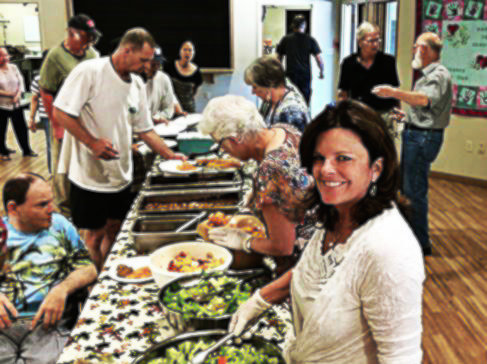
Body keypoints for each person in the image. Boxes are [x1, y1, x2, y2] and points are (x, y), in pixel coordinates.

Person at [229, 100, 425, 363]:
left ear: (375, 169)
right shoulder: (337, 211)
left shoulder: (388, 250)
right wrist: (263, 298)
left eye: (343, 158)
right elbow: (325, 273)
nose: (326, 170)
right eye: (319, 158)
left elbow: (401, 357)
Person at [52, 28, 185, 271]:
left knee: (115, 229)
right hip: (89, 175)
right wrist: (92, 143)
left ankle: (106, 275)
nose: (147, 66)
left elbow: (145, 129)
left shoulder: (136, 83)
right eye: (143, 60)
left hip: (120, 174)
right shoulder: (90, 72)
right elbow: (60, 112)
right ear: (127, 50)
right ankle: (89, 286)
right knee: (92, 236)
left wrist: (170, 155)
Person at [199, 95, 317, 272]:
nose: (223, 151)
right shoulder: (284, 130)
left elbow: (283, 247)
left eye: (220, 144)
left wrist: (245, 241)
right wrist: (257, 194)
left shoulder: (270, 170)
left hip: (304, 264)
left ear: (234, 139)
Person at [0, 173, 97, 364]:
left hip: (47, 325)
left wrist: (62, 288)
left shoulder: (59, 226)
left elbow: (89, 269)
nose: (51, 209)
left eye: (50, 202)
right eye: (42, 205)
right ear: (13, 208)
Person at [372, 32, 452, 256]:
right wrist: (406, 116)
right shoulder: (427, 74)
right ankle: (412, 236)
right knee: (408, 187)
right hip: (417, 133)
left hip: (423, 138)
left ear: (424, 50)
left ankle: (420, 243)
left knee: (414, 191)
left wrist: (392, 92)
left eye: (416, 46)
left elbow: (424, 99)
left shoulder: (438, 75)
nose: (413, 50)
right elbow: (424, 106)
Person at [39, 13, 101, 216]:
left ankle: (86, 198)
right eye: (84, 37)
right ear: (71, 33)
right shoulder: (55, 56)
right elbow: (46, 91)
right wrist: (56, 124)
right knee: (62, 166)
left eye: (91, 38)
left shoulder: (93, 55)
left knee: (85, 160)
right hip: (63, 118)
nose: (88, 42)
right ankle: (65, 209)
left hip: (86, 119)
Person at [337, 22, 400, 136]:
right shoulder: (348, 63)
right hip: (358, 114)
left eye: (377, 40)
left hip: (383, 115)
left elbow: (395, 92)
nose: (375, 44)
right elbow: (343, 92)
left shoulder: (388, 62)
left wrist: (398, 114)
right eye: (371, 41)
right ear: (360, 42)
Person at [244, 55, 310, 132]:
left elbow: (286, 142)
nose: (252, 92)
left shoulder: (291, 111)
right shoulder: (270, 98)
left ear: (269, 84)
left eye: (255, 87)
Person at [276, 15, 324, 104]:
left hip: (291, 75)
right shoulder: (310, 39)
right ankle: (304, 117)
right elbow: (319, 59)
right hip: (305, 76)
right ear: (304, 25)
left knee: (290, 100)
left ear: (293, 25)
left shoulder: (286, 39)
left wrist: (278, 74)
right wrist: (321, 71)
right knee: (304, 101)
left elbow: (278, 60)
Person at [0, 47, 36, 161]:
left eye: (6, 55)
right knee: (1, 129)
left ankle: (26, 150)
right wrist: (10, 94)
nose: (5, 58)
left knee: (21, 128)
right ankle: (3, 151)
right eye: (2, 56)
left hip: (16, 104)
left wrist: (18, 95)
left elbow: (21, 82)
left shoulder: (14, 67)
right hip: (1, 105)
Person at [28, 50, 52, 173]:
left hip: (60, 115)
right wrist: (31, 118)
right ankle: (53, 173)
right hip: (48, 116)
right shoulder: (39, 78)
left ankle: (54, 172)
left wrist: (31, 118)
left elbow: (34, 99)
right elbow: (34, 99)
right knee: (52, 145)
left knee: (52, 145)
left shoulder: (38, 78)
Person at [165, 40, 203, 113]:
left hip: (189, 110)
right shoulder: (169, 67)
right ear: (180, 51)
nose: (187, 53)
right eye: (185, 49)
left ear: (193, 53)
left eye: (190, 50)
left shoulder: (197, 72)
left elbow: (194, 92)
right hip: (172, 108)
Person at [144, 46, 176, 124]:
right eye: (153, 64)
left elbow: (169, 108)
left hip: (155, 127)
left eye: (158, 64)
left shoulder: (164, 78)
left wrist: (158, 117)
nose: (155, 69)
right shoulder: (133, 79)